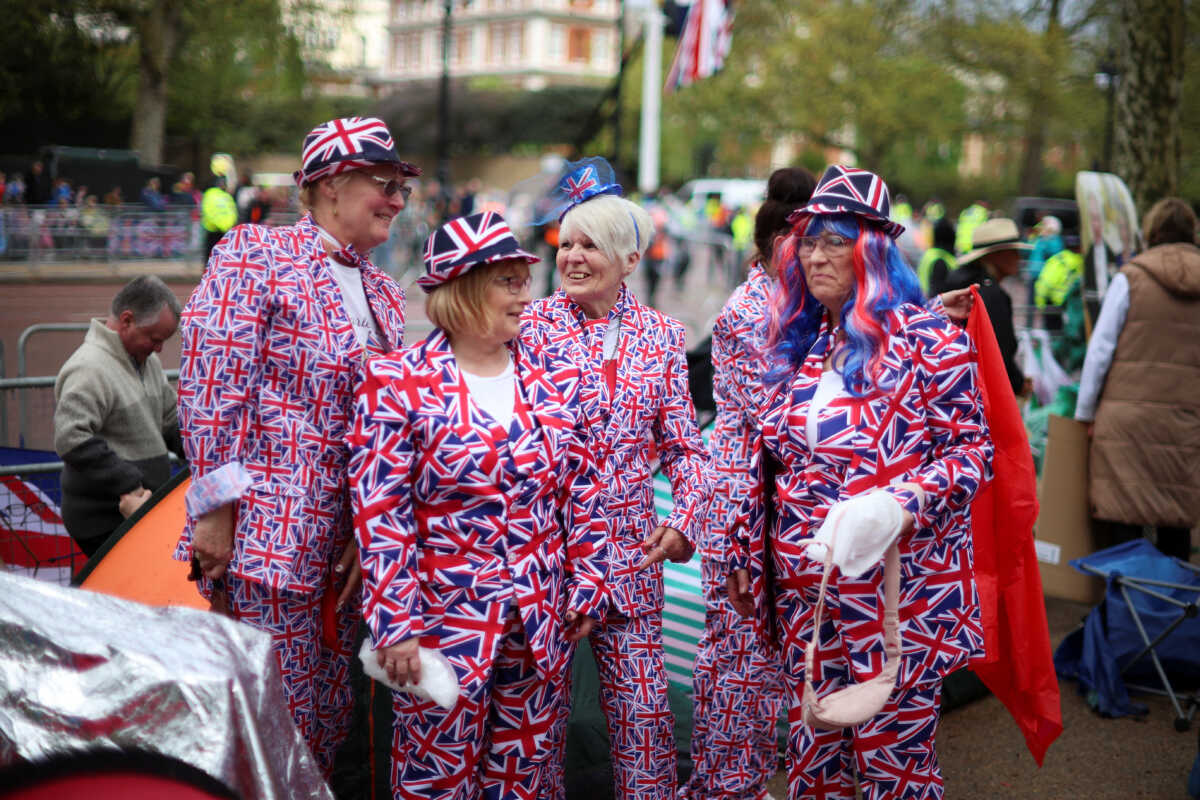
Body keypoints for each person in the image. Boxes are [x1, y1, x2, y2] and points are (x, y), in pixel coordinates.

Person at [729, 165, 993, 800]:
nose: (815, 256)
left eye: (833, 241)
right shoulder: (801, 346)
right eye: (808, 242)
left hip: (898, 604)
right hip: (809, 601)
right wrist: (743, 550)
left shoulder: (932, 341)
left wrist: (897, 505)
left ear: (872, 250)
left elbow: (973, 453)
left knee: (893, 772)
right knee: (813, 766)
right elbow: (766, 461)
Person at [175, 116, 415, 776]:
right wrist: (216, 511)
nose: (397, 199)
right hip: (268, 547)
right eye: (384, 184)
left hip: (344, 555)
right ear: (332, 186)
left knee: (326, 724)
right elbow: (210, 385)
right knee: (270, 725)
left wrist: (372, 533)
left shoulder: (383, 291)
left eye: (402, 188)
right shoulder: (257, 254)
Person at [350, 211, 608, 799]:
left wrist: (589, 584)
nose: (525, 296)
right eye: (509, 283)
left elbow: (584, 493)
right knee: (435, 784)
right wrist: (396, 625)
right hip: (440, 632)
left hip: (542, 630)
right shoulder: (396, 381)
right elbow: (380, 512)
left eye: (523, 281)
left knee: (524, 784)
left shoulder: (558, 380)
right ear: (464, 289)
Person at [522, 157, 711, 799]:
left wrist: (685, 520)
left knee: (643, 720)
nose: (572, 257)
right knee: (536, 724)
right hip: (545, 555)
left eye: (590, 245)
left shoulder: (662, 337)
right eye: (566, 243)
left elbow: (684, 447)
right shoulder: (528, 327)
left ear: (630, 258)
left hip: (633, 556)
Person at [680, 165, 816, 800]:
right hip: (743, 499)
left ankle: (746, 781)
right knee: (740, 658)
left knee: (768, 657)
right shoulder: (751, 311)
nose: (811, 259)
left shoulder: (799, 303)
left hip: (779, 497)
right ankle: (725, 786)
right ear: (767, 249)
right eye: (800, 248)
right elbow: (770, 420)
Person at [1075, 197, 1200, 562]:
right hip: (1185, 423)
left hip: (1125, 423)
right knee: (1176, 521)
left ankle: (1125, 610)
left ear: (1151, 231)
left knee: (1123, 516)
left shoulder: (1131, 279)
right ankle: (1172, 610)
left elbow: (1100, 351)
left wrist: (1085, 413)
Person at [53, 276, 185, 558]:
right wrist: (130, 482)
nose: (159, 348)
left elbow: (170, 419)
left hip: (138, 508)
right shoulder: (89, 367)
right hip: (104, 518)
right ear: (127, 321)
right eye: (155, 339)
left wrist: (203, 454)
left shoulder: (146, 361)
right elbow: (71, 437)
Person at [944, 217, 1029, 396]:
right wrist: (1018, 383)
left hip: (954, 387)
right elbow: (999, 355)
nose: (1019, 258)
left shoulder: (959, 284)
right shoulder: (992, 295)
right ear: (996, 256)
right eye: (1013, 251)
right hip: (981, 394)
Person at [916, 216, 957, 298]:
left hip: (923, 303)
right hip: (935, 307)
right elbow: (938, 293)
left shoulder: (929, 254)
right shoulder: (941, 259)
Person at [200, 176, 237, 266]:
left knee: (215, 257)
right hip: (218, 230)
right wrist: (226, 225)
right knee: (216, 257)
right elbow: (232, 212)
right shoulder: (223, 196)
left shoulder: (212, 195)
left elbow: (232, 212)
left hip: (219, 230)